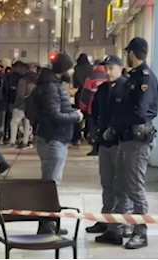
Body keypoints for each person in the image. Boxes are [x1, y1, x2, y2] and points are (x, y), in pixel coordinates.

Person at [97, 37, 158, 250]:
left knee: (134, 188)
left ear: (133, 53)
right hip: (126, 139)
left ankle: (140, 232)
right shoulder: (132, 78)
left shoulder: (145, 78)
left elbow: (138, 112)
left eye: (128, 53)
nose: (127, 56)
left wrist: (115, 126)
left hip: (137, 141)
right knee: (119, 186)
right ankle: (117, 229)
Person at [34, 52, 84, 234]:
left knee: (50, 183)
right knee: (50, 185)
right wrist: (76, 116)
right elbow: (54, 115)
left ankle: (48, 224)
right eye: (70, 67)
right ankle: (47, 225)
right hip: (53, 139)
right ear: (63, 69)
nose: (72, 70)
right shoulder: (51, 87)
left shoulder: (52, 84)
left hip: (52, 138)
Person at [86, 55, 133, 237]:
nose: (108, 72)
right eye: (105, 68)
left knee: (121, 185)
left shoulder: (127, 87)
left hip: (120, 142)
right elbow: (96, 112)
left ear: (120, 68)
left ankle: (122, 222)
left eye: (111, 68)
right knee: (106, 183)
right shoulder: (103, 89)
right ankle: (106, 218)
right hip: (105, 143)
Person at [78, 59, 106, 156]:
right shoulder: (108, 76)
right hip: (105, 108)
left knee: (93, 128)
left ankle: (95, 148)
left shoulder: (90, 78)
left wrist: (83, 106)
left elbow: (85, 93)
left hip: (92, 107)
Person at [7, 61, 35, 149]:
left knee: (14, 122)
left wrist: (15, 105)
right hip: (30, 105)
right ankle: (26, 141)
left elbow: (20, 94)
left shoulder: (23, 80)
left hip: (21, 105)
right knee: (26, 123)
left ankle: (12, 141)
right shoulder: (35, 78)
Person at [71, 53, 93, 145]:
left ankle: (77, 137)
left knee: (77, 114)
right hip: (90, 93)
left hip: (80, 94)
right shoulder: (92, 69)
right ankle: (89, 134)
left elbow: (75, 84)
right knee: (90, 114)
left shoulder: (77, 69)